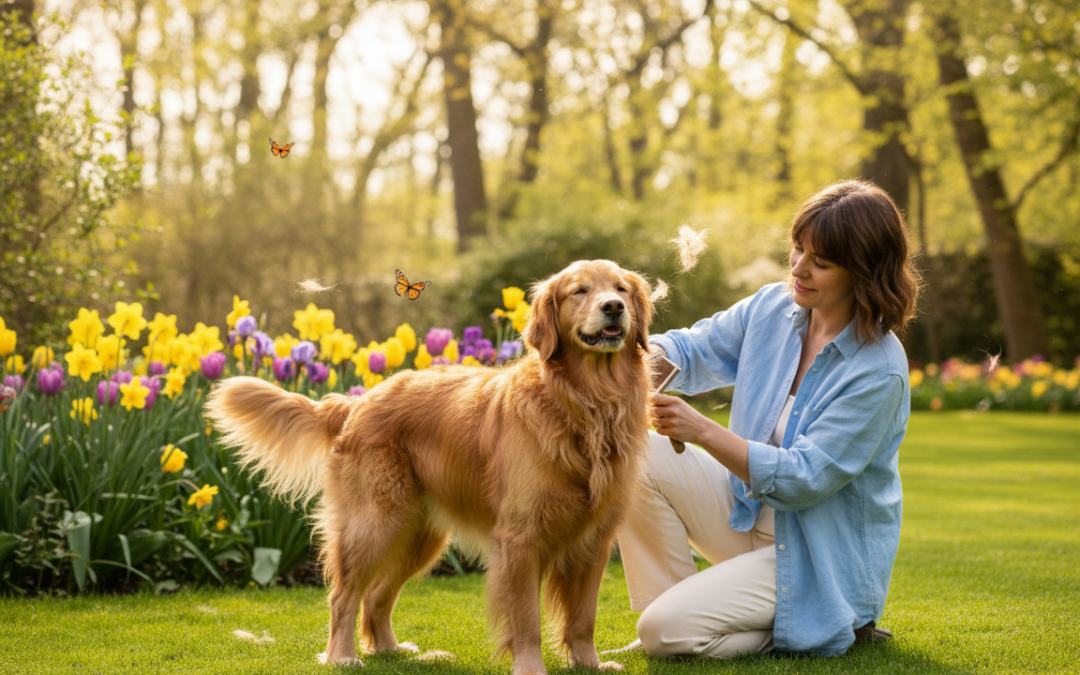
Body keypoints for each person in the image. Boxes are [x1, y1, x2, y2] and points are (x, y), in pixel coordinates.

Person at [613, 179, 920, 658]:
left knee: (665, 632)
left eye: (821, 262)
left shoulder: (879, 371)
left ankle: (821, 622)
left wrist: (702, 431)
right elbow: (690, 350)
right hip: (745, 515)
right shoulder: (773, 308)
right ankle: (672, 618)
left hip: (817, 560)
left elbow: (803, 479)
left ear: (864, 272)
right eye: (797, 249)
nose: (798, 268)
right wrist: (609, 364)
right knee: (635, 455)